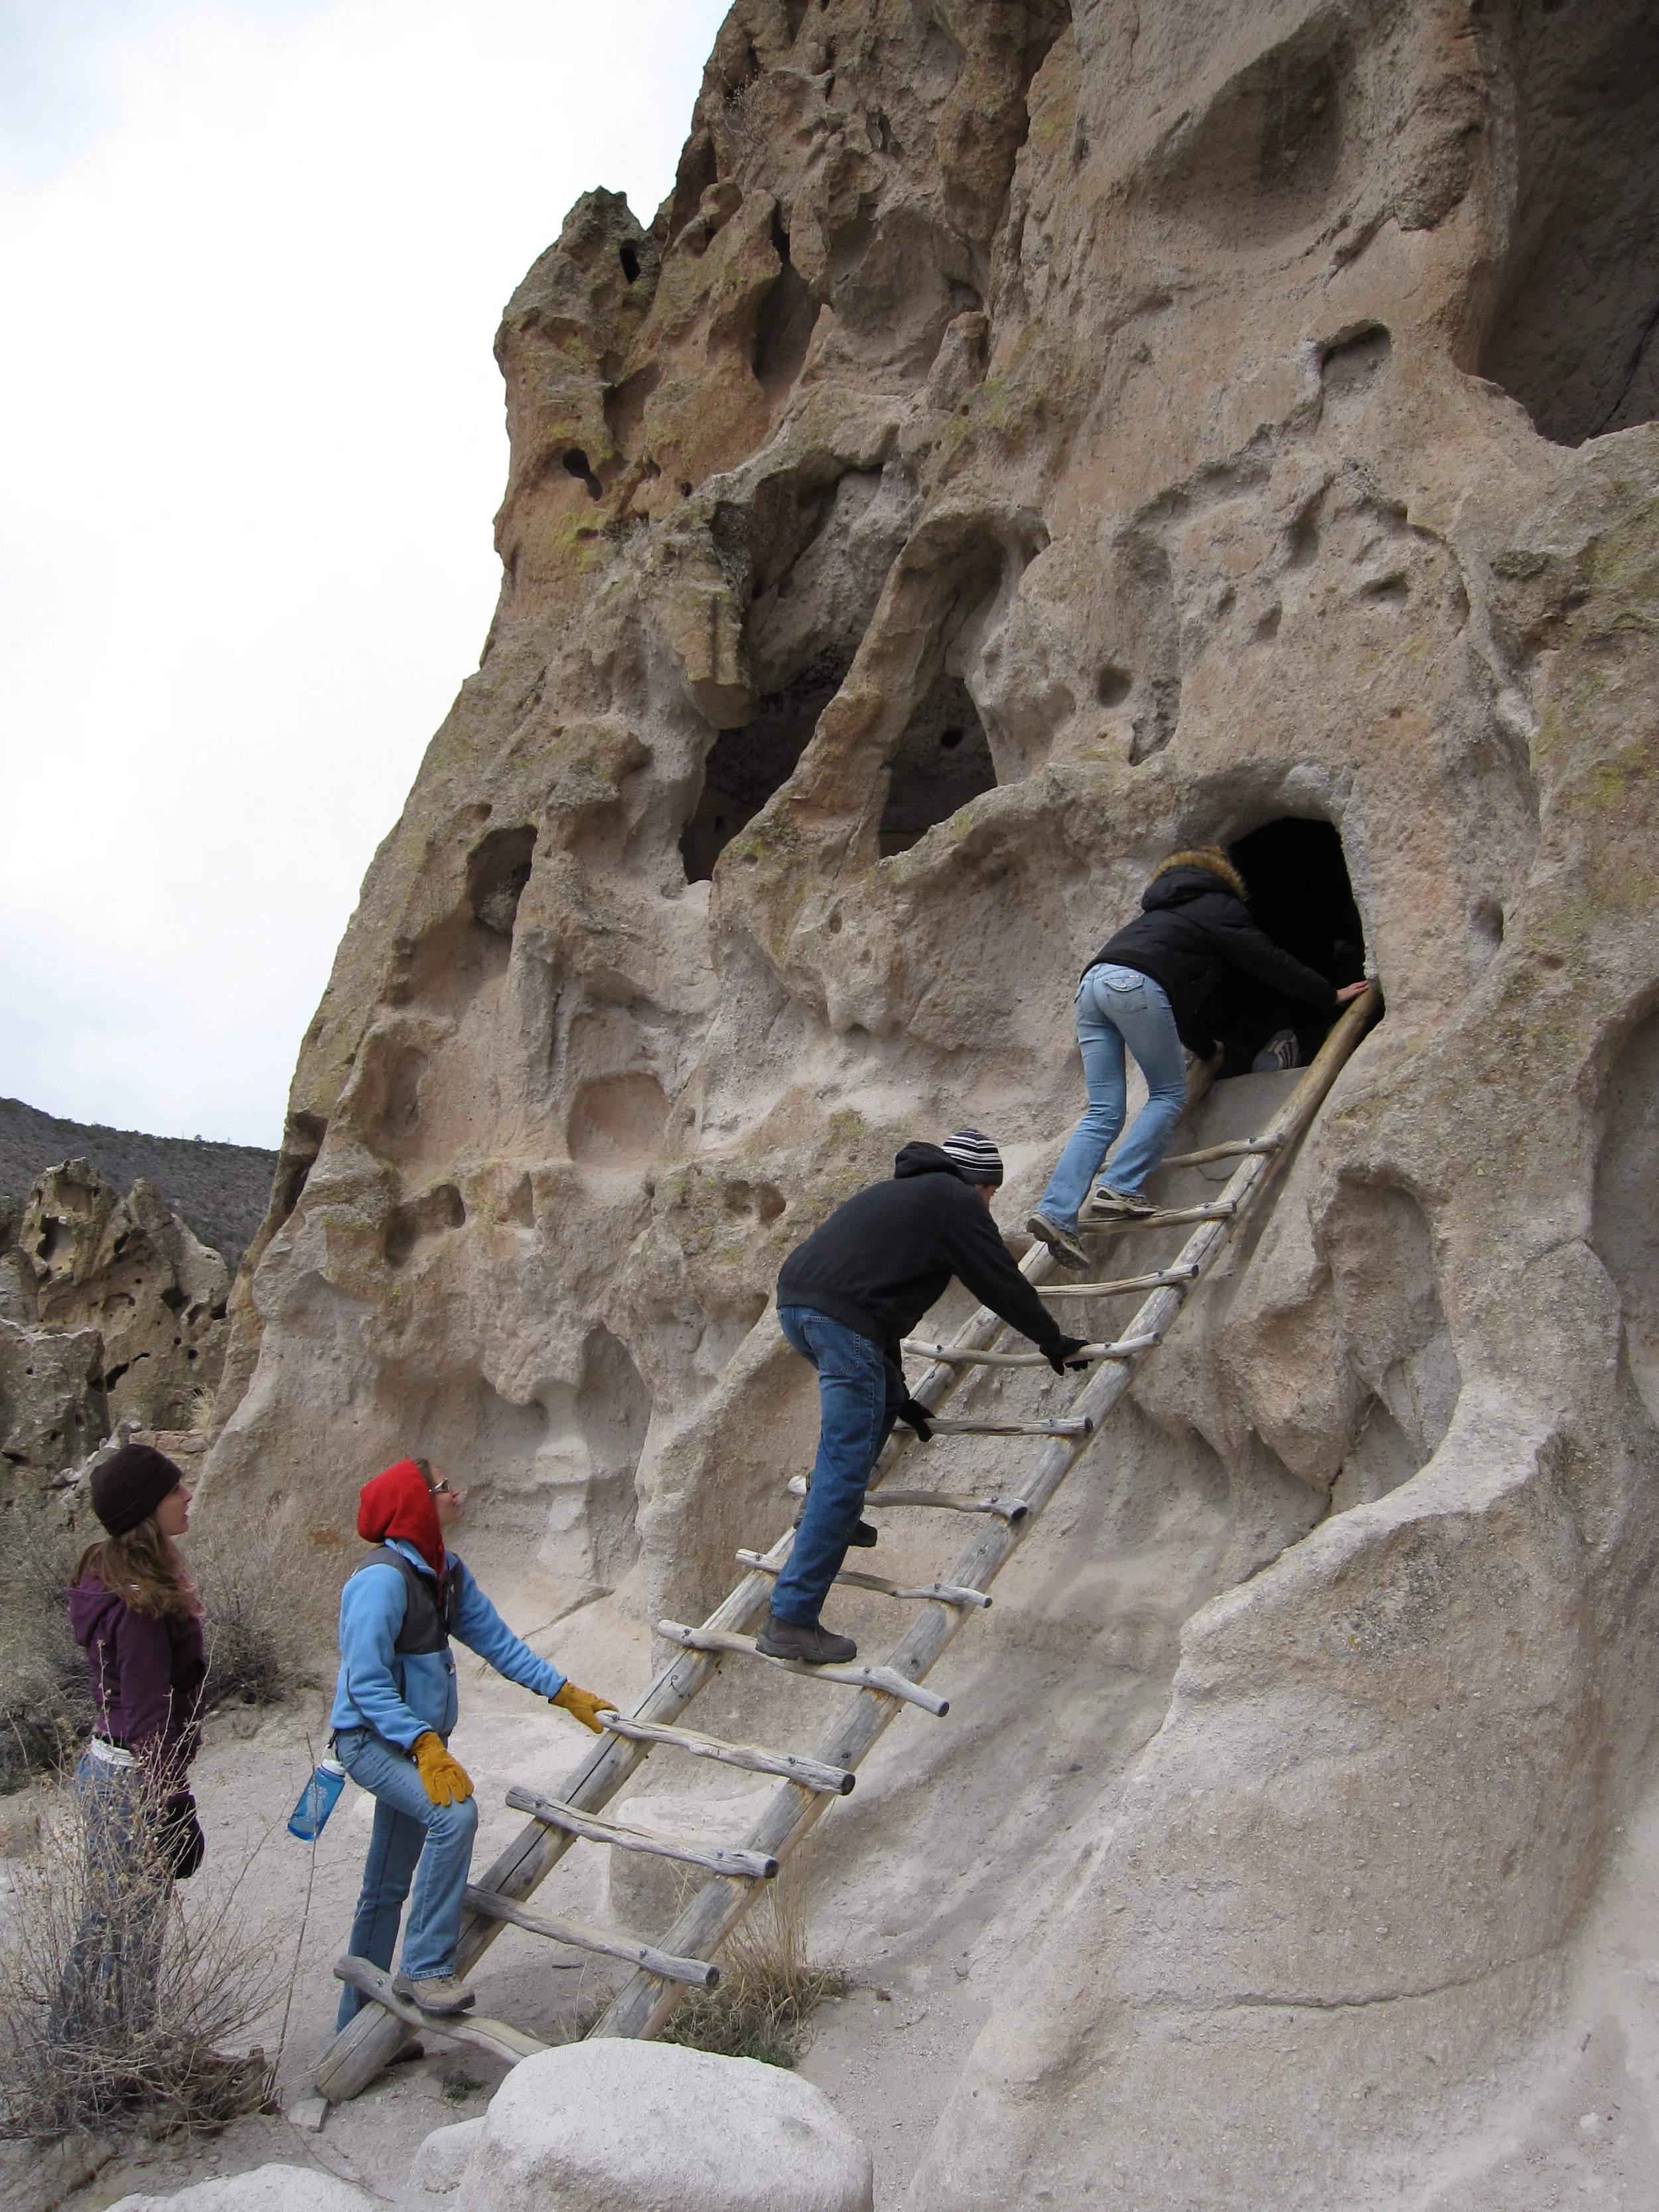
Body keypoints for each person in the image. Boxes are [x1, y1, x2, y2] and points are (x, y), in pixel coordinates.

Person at [765, 1130, 1090, 1666]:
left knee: (871, 1410)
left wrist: (899, 1393)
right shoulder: (955, 1200)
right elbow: (999, 1280)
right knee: (846, 1471)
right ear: (980, 1183)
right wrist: (1053, 1341)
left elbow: (874, 1297)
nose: (988, 1207)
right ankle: (792, 1617)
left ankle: (832, 1518)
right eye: (991, 1195)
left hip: (800, 1310)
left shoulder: (900, 1195)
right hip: (844, 1325)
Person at [331, 1457, 615, 2022]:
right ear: (416, 1504)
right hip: (372, 1741)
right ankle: (426, 1967)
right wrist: (424, 1744)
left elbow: (500, 1645)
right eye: (442, 1487)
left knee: (386, 1882)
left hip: (414, 1745)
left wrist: (566, 1693)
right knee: (454, 1814)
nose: (456, 1492)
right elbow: (363, 1682)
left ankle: (355, 2024)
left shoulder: (444, 1572)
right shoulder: (382, 1580)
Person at [1029, 846, 1369, 1268]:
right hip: (1137, 986)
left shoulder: (1157, 915)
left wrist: (1207, 1048)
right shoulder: (1217, 904)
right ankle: (1119, 1188)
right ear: (1225, 877)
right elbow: (1267, 959)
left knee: (1103, 1112)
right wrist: (1327, 993)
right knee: (1169, 1094)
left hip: (1093, 987)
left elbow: (1177, 998)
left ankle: (1057, 1212)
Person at [60, 1442, 208, 2041]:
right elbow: (152, 1713)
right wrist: (172, 1803)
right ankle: (97, 2059)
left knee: (115, 1921)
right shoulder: (140, 1604)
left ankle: (100, 2053)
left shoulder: (116, 1578)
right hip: (132, 1781)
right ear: (148, 1508)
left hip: (111, 1769)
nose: (188, 1495)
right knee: (124, 1927)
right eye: (175, 1489)